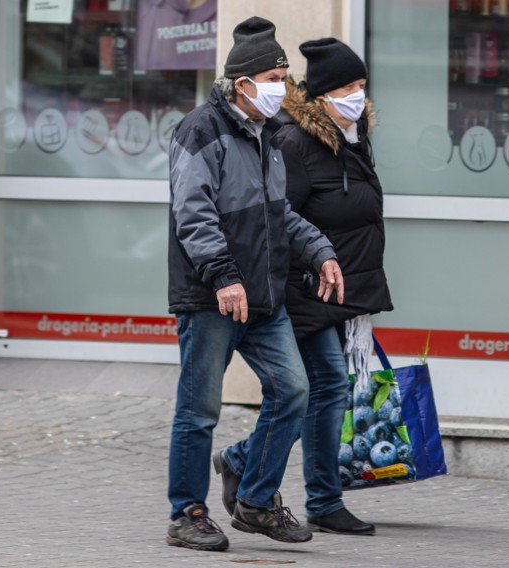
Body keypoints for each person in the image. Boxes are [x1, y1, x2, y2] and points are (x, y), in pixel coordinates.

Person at [165, 17, 346, 552]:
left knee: (293, 391)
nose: (281, 89)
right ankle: (187, 513)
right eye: (272, 77)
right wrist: (223, 277)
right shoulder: (200, 130)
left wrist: (319, 251)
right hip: (212, 297)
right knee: (199, 410)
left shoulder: (266, 135)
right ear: (242, 83)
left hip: (263, 296)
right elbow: (192, 215)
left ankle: (256, 501)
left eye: (284, 78)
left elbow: (279, 215)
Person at [214, 38, 393, 536]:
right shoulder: (295, 142)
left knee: (322, 390)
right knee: (325, 386)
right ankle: (319, 497)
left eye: (361, 86)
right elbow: (278, 217)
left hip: (338, 286)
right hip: (304, 287)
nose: (359, 96)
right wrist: (314, 265)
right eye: (348, 88)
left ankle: (244, 461)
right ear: (322, 94)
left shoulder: (349, 136)